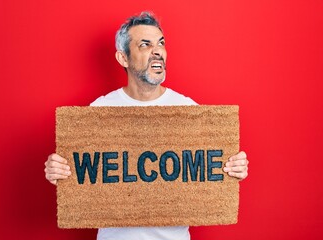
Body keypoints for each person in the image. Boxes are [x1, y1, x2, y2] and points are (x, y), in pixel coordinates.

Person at [44, 11, 249, 240]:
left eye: (161, 44)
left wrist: (233, 169)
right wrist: (57, 170)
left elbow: (209, 169)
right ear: (123, 58)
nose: (158, 52)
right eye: (145, 45)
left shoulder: (188, 110)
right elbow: (76, 173)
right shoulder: (99, 112)